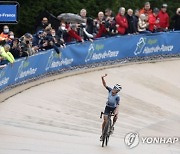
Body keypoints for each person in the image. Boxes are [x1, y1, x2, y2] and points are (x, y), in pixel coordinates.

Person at [100, 74, 122, 141]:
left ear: (117, 91)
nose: (114, 89)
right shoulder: (110, 90)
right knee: (105, 120)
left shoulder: (117, 97)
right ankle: (102, 134)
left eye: (115, 89)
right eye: (114, 87)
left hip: (114, 108)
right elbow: (104, 85)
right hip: (108, 107)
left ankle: (112, 126)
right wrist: (102, 78)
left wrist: (116, 112)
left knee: (116, 116)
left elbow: (118, 106)